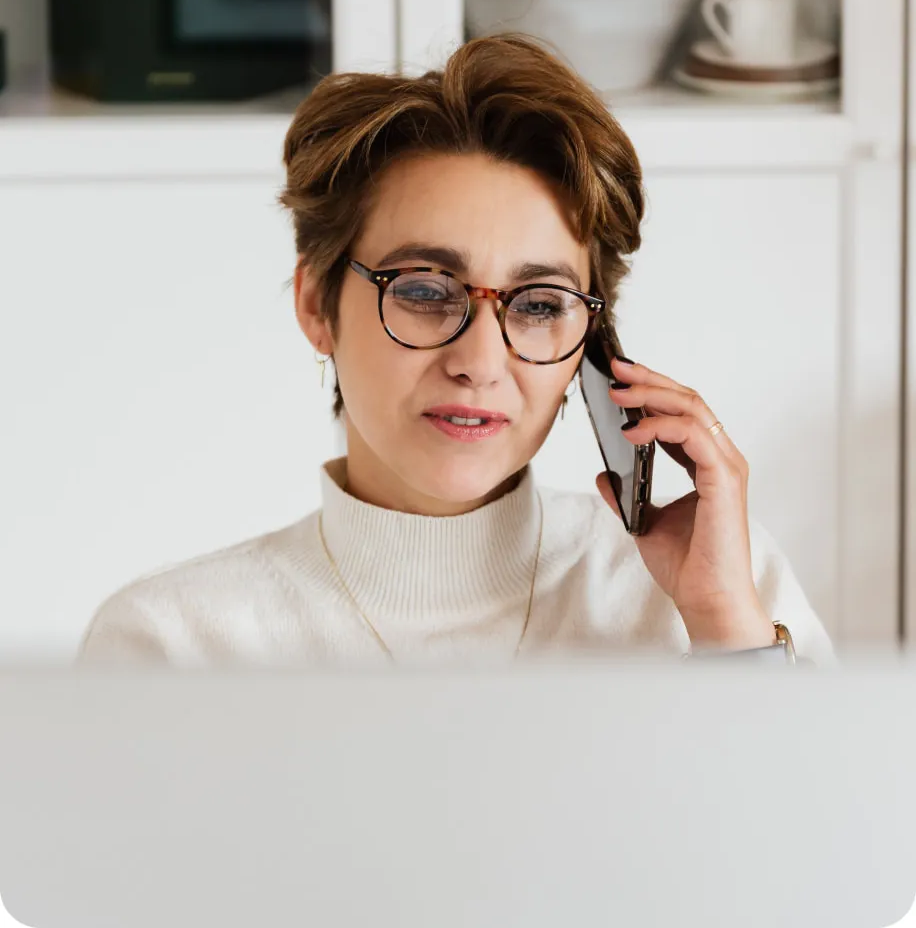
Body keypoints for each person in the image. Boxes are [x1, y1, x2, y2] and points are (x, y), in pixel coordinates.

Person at [76, 34, 834, 668]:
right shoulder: (171, 648)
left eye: (538, 305)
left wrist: (724, 625)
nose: (479, 360)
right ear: (317, 304)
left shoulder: (722, 583)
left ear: (590, 348)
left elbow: (837, 847)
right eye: (425, 289)